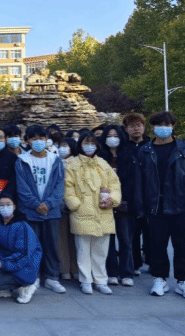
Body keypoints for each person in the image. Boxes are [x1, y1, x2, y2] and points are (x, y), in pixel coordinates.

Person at [136, 111, 185, 301]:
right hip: (156, 206)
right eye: (159, 125)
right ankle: (160, 278)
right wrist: (141, 207)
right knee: (157, 245)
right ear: (153, 127)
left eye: (167, 125)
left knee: (183, 247)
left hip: (181, 205)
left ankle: (184, 281)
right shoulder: (145, 151)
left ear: (173, 126)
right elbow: (140, 182)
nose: (164, 128)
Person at [65, 133, 121, 295]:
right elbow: (68, 188)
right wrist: (75, 205)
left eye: (92, 143)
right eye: (86, 143)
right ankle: (86, 280)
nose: (89, 146)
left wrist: (113, 199)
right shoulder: (73, 164)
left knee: (101, 251)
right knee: (83, 250)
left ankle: (101, 280)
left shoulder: (103, 164)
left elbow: (115, 184)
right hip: (82, 212)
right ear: (80, 145)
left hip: (103, 212)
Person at [15, 125, 66, 294]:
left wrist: (48, 204)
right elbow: (22, 187)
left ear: (47, 140)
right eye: (34, 138)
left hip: (51, 211)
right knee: (31, 245)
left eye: (41, 138)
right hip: (30, 211)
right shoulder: (22, 161)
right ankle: (33, 276)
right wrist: (36, 204)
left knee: (51, 245)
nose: (38, 141)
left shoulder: (55, 160)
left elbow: (59, 186)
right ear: (28, 141)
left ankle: (52, 277)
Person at [99, 125, 139, 287]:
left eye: (116, 136)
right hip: (105, 204)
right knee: (108, 241)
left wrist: (127, 201)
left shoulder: (129, 155)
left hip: (125, 205)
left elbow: (134, 181)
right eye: (109, 135)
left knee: (126, 240)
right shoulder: (100, 157)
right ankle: (112, 272)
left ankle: (127, 273)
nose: (112, 139)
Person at [0, 196, 42, 304]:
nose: (5, 207)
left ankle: (27, 285)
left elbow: (24, 254)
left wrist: (3, 263)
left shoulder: (22, 227)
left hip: (24, 266)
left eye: (8, 204)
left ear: (14, 207)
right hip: (7, 262)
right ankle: (4, 289)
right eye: (1, 205)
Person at [123, 112, 151, 275]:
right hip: (130, 194)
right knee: (132, 234)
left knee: (151, 232)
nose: (136, 129)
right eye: (132, 126)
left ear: (144, 127)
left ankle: (152, 261)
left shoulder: (151, 145)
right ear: (126, 128)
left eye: (139, 125)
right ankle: (134, 263)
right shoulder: (123, 147)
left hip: (149, 194)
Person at [56, 138, 79, 280]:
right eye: (61, 145)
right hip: (59, 204)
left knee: (75, 239)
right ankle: (64, 268)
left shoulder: (78, 162)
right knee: (61, 238)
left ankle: (75, 269)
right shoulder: (56, 162)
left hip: (76, 204)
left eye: (65, 145)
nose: (62, 148)